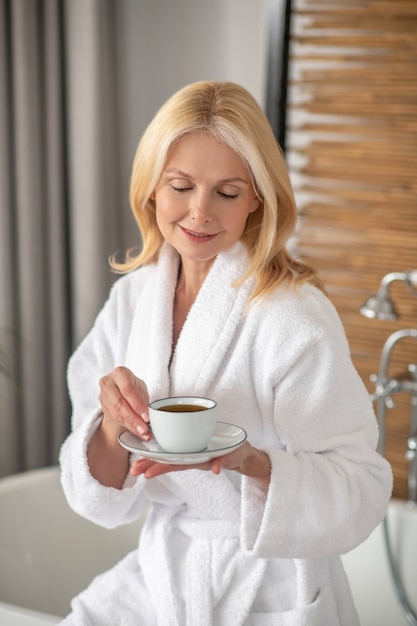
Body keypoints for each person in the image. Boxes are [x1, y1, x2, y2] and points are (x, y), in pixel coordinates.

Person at [59, 81, 392, 625]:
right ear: (151, 189)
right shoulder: (133, 300)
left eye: (227, 192)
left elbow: (362, 485)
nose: (199, 213)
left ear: (258, 197)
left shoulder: (291, 315)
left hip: (270, 581)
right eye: (180, 186)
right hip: (164, 571)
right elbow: (96, 499)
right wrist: (109, 425)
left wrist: (257, 466)